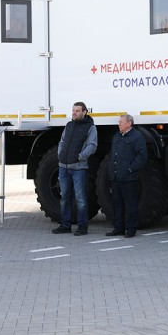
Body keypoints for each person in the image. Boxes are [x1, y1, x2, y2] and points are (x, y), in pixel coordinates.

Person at [52, 102, 98, 236]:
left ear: (84, 112)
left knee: (81, 199)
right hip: (63, 167)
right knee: (64, 197)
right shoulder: (69, 125)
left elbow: (92, 145)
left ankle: (82, 227)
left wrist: (80, 157)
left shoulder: (90, 127)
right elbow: (62, 141)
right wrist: (60, 155)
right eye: (73, 110)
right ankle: (65, 225)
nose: (74, 113)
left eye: (77, 111)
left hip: (79, 168)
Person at [106, 114, 147, 238]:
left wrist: (129, 168)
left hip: (129, 178)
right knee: (117, 204)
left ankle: (131, 229)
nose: (119, 124)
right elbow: (112, 154)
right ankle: (118, 228)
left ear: (129, 123)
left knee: (130, 205)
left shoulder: (137, 136)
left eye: (121, 122)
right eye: (119, 122)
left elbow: (142, 156)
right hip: (116, 177)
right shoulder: (117, 136)